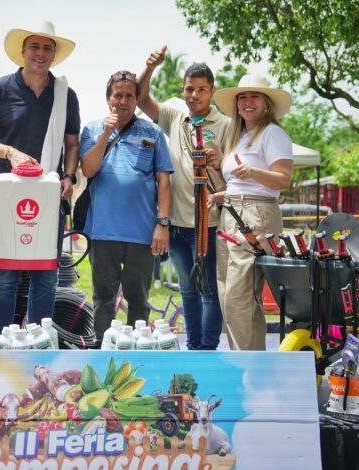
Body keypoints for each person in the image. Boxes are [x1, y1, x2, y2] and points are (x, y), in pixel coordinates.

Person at [0, 21, 80, 331]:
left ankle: (38, 342)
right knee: (5, 275)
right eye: (35, 47)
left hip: (48, 194)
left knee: (46, 274)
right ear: (22, 51)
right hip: (8, 196)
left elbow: (72, 143)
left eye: (47, 48)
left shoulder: (65, 95)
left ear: (54, 54)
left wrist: (69, 176)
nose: (40, 54)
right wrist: (9, 152)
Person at [137, 46, 230, 350]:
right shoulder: (175, 116)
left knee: (210, 292)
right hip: (176, 225)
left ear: (212, 91)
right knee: (188, 290)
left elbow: (237, 175)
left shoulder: (227, 125)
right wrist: (150, 67)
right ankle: (193, 347)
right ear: (183, 89)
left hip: (210, 225)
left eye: (202, 89)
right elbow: (140, 98)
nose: (194, 95)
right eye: (190, 89)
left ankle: (207, 349)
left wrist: (220, 163)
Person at [79, 71, 173, 341]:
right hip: (102, 232)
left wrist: (162, 225)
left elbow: (164, 183)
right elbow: (88, 169)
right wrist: (107, 133)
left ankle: (136, 352)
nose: (122, 101)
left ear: (136, 99)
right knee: (103, 299)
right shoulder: (93, 129)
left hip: (142, 233)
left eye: (129, 95)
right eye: (117, 95)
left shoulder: (153, 132)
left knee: (139, 299)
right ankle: (102, 351)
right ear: (108, 98)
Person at [209, 74, 294, 351]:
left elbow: (282, 180)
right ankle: (251, 363)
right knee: (230, 294)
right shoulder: (240, 136)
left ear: (266, 103)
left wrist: (253, 171)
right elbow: (240, 184)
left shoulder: (273, 133)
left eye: (254, 96)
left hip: (255, 215)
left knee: (238, 296)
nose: (247, 102)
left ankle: (247, 366)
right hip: (233, 212)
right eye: (242, 97)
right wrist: (220, 196)